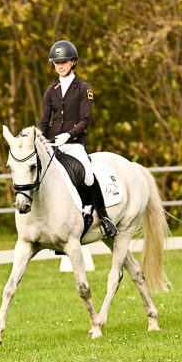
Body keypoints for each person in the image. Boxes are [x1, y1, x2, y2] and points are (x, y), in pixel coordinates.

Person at [38, 40, 118, 238]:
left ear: (73, 62)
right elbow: (43, 121)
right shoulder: (51, 91)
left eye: (64, 61)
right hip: (52, 144)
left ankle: (105, 217)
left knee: (88, 176)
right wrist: (39, 139)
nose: (60, 65)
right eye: (57, 62)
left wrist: (69, 135)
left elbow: (85, 120)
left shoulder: (83, 88)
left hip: (74, 143)